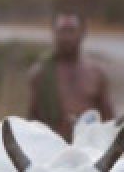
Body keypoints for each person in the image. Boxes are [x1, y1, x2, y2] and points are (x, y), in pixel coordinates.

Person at [28, 8, 115, 141]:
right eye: (61, 31)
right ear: (54, 33)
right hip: (51, 148)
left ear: (82, 33)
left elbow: (109, 122)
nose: (66, 37)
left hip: (89, 150)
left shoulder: (96, 74)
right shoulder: (40, 73)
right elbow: (31, 121)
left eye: (71, 31)